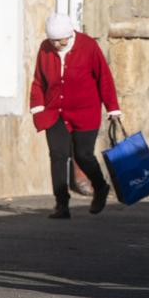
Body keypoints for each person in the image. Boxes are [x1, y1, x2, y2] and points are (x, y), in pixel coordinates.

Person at [29, 13, 118, 219]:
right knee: (58, 155)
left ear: (70, 35)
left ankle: (100, 187)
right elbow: (38, 80)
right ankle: (61, 204)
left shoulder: (88, 47)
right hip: (55, 112)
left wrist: (112, 108)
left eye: (61, 40)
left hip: (85, 111)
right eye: (53, 41)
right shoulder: (45, 49)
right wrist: (37, 106)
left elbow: (104, 77)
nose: (57, 45)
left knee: (83, 155)